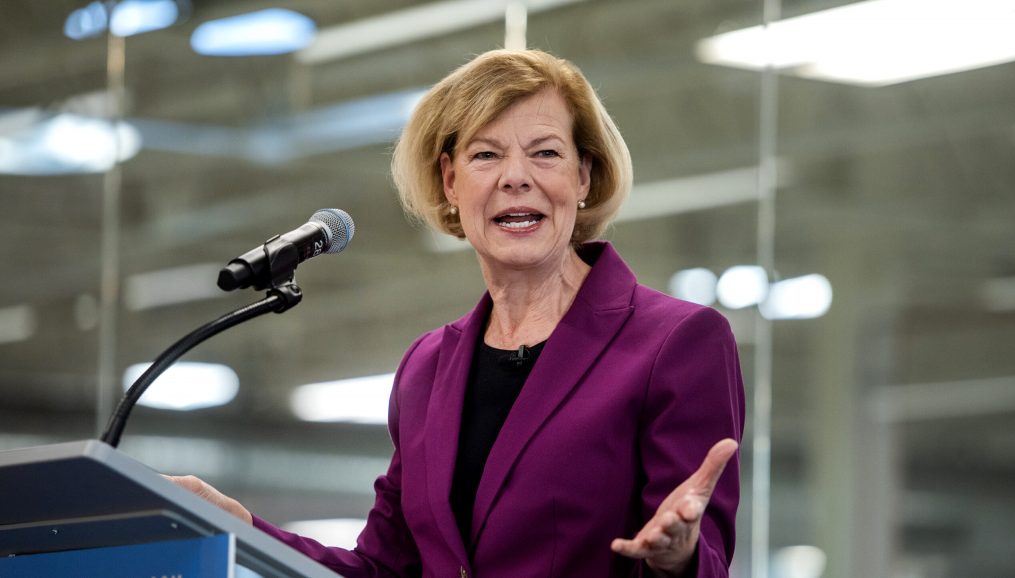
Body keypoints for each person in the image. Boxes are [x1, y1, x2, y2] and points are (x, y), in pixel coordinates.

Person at [170, 49, 745, 578]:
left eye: (545, 153)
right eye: (486, 155)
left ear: (584, 177)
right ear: (450, 181)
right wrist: (241, 531)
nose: (515, 176)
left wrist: (681, 558)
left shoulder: (676, 342)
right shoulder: (427, 365)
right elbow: (385, 568)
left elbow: (706, 557)